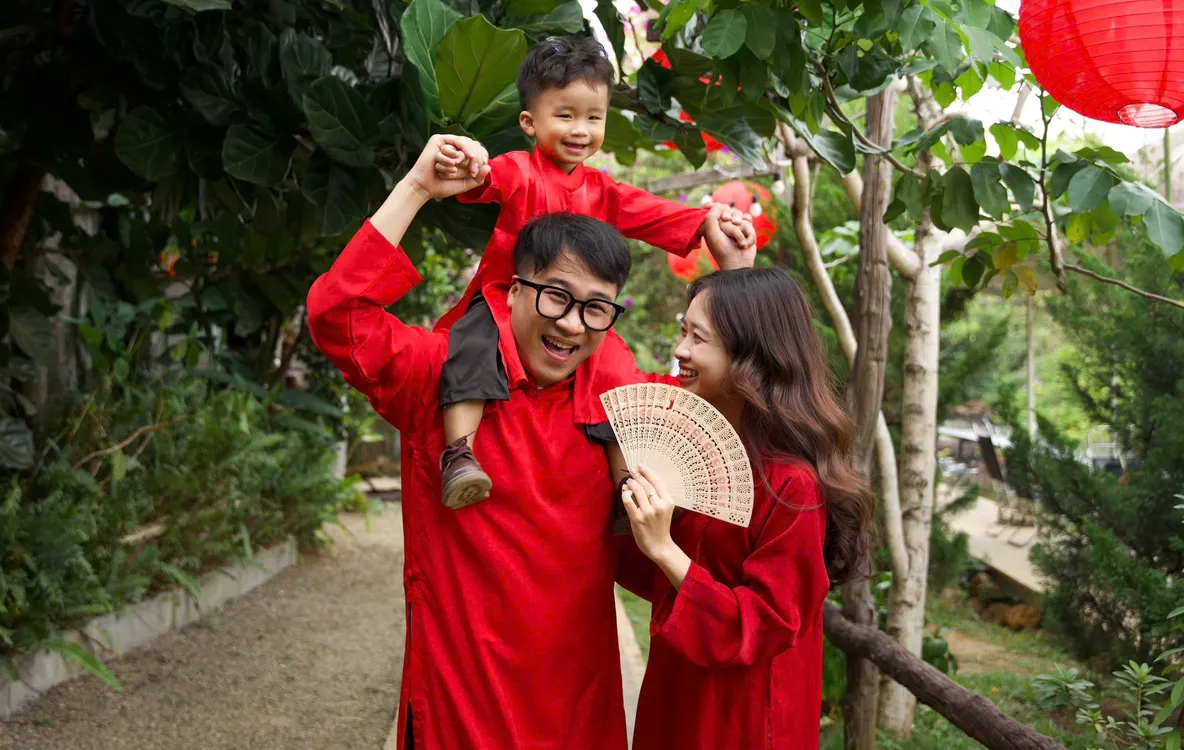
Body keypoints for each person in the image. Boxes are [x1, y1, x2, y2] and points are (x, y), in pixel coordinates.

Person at [306, 134, 751, 749]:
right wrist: (416, 187)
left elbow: (729, 392)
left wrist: (737, 276)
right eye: (556, 296)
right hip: (460, 716)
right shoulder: (439, 378)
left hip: (579, 717)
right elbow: (337, 314)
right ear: (513, 291)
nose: (571, 323)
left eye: (596, 308)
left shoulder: (628, 406)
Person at [429, 34, 755, 509]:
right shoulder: (519, 170)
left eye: (593, 117)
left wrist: (708, 221)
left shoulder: (603, 190)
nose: (580, 130)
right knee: (472, 346)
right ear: (529, 122)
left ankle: (627, 486)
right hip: (505, 300)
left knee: (617, 371)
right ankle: (460, 455)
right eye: (565, 116)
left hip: (581, 314)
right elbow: (484, 177)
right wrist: (467, 159)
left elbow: (653, 212)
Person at [614, 268, 876, 749]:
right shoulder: (704, 455)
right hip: (680, 688)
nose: (680, 349)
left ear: (750, 356)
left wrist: (666, 550)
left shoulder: (792, 485)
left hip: (747, 713)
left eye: (698, 338)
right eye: (683, 330)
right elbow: (650, 577)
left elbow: (767, 622)